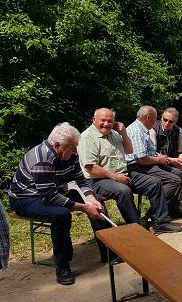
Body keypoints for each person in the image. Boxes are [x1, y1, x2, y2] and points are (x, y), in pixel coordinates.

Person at [8, 122, 112, 285]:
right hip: (25, 198)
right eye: (71, 148)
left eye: (75, 147)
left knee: (97, 200)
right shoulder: (42, 158)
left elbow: (81, 180)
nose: (74, 152)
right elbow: (49, 197)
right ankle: (62, 266)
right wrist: (84, 208)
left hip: (52, 192)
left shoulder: (71, 153)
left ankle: (108, 250)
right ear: (57, 145)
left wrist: (90, 199)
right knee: (61, 215)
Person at [79, 108, 182, 234]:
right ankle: (136, 227)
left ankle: (161, 223)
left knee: (154, 183)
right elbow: (90, 168)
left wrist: (123, 133)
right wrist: (115, 177)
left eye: (110, 121)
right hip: (98, 179)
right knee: (123, 191)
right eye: (103, 120)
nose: (106, 124)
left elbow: (129, 151)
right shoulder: (87, 137)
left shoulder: (114, 134)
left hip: (123, 173)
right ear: (94, 120)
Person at [126, 105, 182, 219]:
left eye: (171, 121)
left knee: (178, 173)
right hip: (142, 166)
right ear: (148, 117)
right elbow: (142, 159)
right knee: (174, 180)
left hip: (154, 162)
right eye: (163, 119)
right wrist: (166, 160)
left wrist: (179, 160)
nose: (166, 123)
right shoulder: (146, 131)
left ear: (175, 122)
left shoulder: (177, 130)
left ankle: (172, 208)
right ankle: (153, 213)